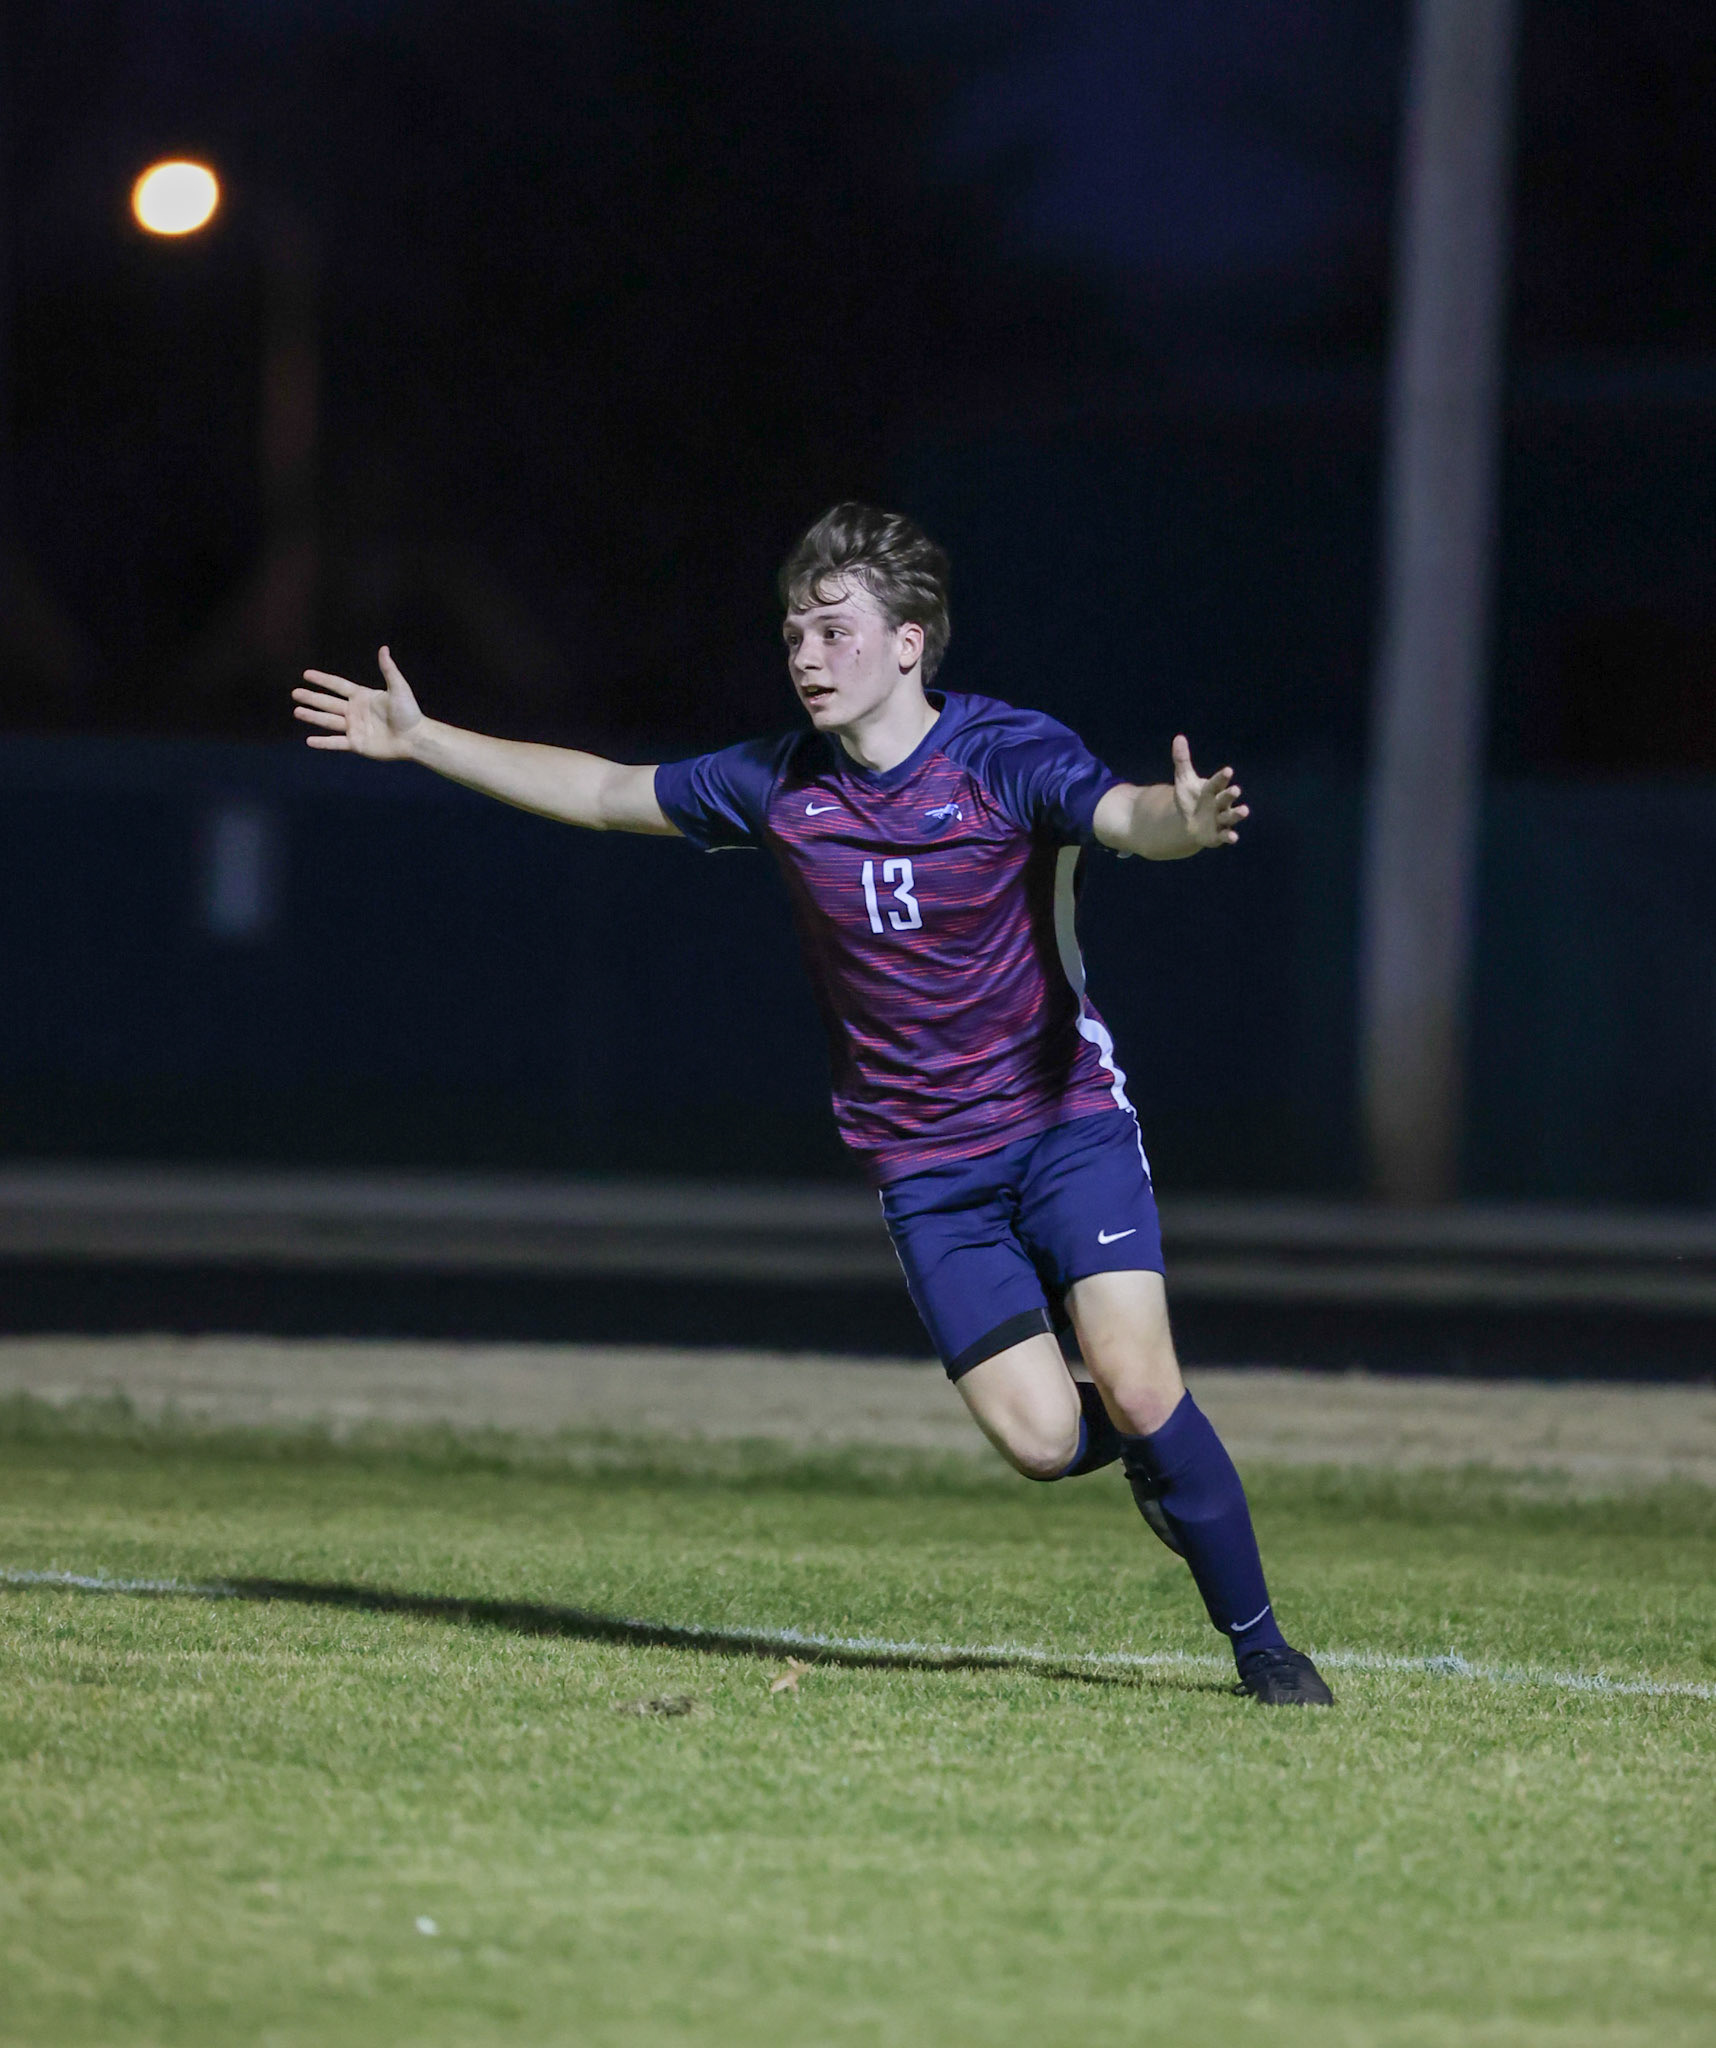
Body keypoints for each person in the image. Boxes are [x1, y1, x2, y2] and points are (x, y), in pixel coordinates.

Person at [292, 502, 1333, 1707]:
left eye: (835, 629)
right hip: (927, 1170)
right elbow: (602, 791)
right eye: (794, 632)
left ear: (909, 643)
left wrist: (1183, 824)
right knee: (1048, 1440)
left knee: (1143, 1380)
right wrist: (426, 741)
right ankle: (1156, 1459)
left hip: (1064, 1125)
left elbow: (1123, 815)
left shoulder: (1004, 753)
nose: (806, 653)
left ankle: (1266, 1652)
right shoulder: (779, 783)